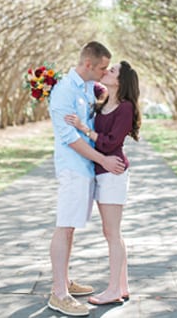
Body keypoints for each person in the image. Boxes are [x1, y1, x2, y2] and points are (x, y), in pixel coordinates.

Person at [46, 41, 125, 316]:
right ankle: (58, 293)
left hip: (86, 170)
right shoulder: (64, 92)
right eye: (103, 67)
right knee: (64, 227)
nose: (105, 72)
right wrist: (103, 160)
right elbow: (70, 139)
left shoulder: (87, 89)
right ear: (89, 64)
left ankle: (64, 280)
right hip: (74, 168)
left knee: (71, 228)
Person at [64, 61, 142, 305]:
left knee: (112, 232)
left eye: (113, 70)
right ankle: (122, 286)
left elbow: (109, 143)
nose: (107, 71)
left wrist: (83, 128)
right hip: (100, 170)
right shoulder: (102, 98)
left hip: (114, 172)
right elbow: (83, 79)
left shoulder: (125, 108)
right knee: (111, 233)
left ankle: (113, 291)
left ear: (121, 80)